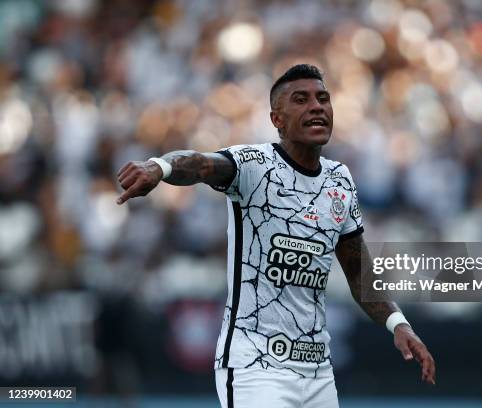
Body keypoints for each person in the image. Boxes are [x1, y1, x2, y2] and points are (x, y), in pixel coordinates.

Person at [116, 64, 435, 407]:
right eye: (301, 99)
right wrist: (159, 167)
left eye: (322, 98)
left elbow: (358, 272)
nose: (316, 106)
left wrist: (398, 324)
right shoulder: (253, 166)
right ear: (277, 120)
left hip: (317, 372)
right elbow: (198, 163)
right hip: (256, 367)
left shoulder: (340, 180)